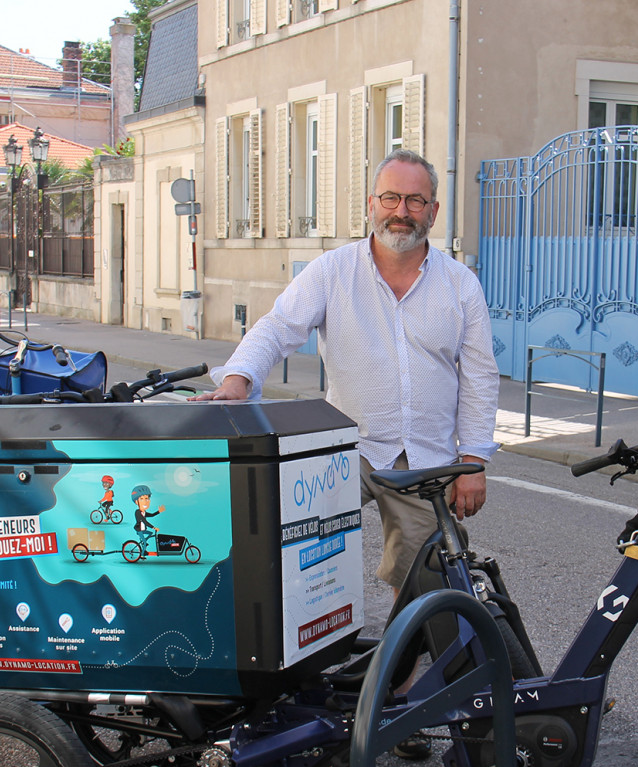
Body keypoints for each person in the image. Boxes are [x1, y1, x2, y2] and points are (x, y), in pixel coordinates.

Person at [193, 149, 500, 596]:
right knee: (290, 551)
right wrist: (237, 379)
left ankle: (406, 664)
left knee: (425, 576)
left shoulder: (460, 284)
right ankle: (303, 648)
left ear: (433, 211)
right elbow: (279, 328)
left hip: (424, 459)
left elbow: (479, 376)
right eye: (391, 198)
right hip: (345, 448)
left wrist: (472, 462)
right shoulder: (331, 271)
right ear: (371, 205)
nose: (402, 211)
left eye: (415, 201)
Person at [130, 485, 165, 553]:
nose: (145, 501)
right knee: (145, 542)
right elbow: (144, 521)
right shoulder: (137, 512)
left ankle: (143, 542)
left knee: (150, 533)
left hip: (143, 530)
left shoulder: (144, 512)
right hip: (139, 530)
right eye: (142, 499)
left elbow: (151, 515)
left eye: (147, 498)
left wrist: (159, 511)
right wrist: (154, 527)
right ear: (137, 502)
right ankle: (142, 554)